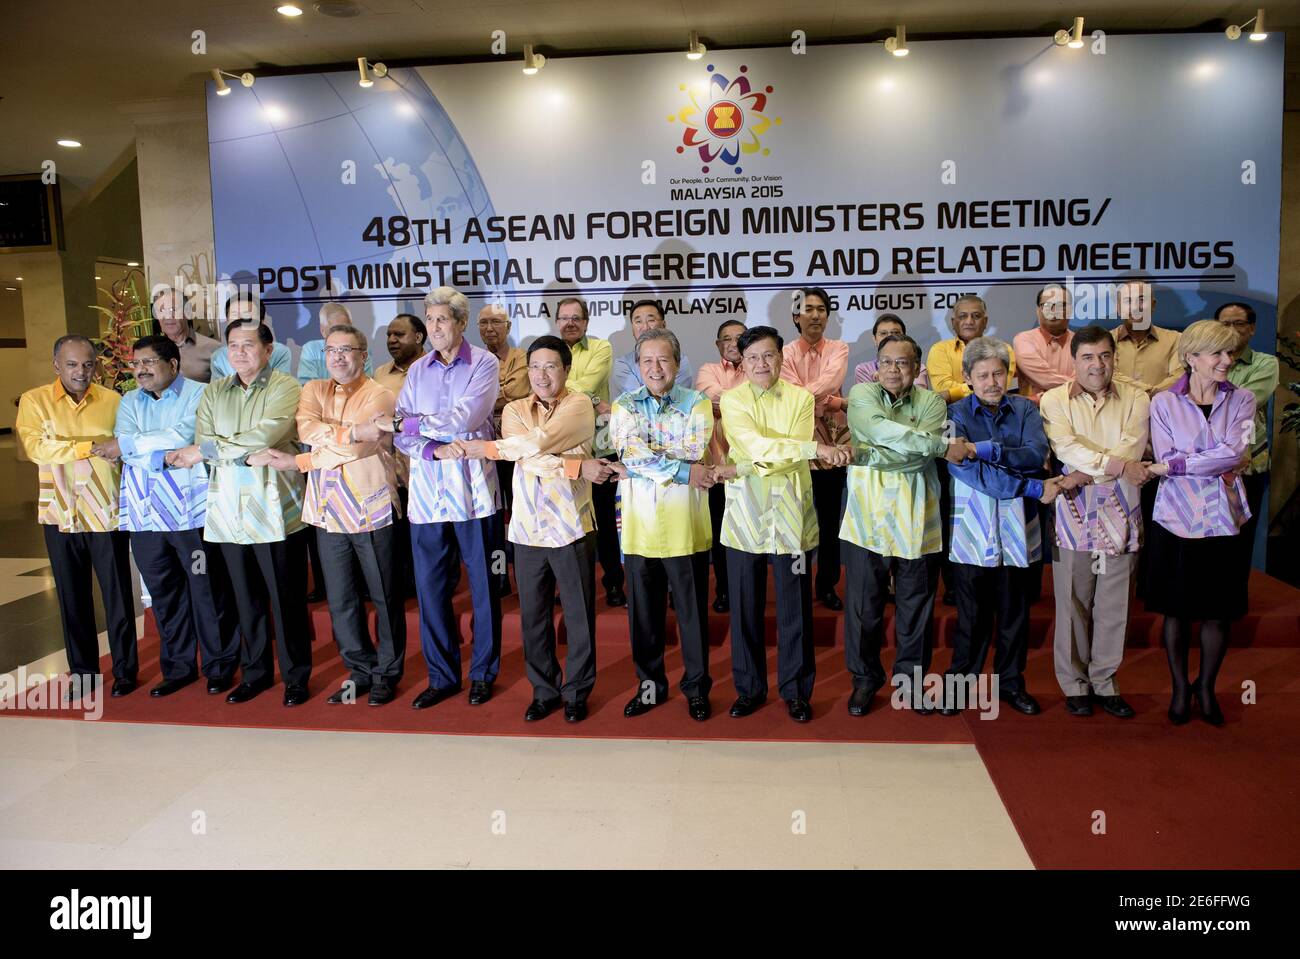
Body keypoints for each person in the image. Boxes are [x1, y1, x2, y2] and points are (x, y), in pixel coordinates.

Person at [453, 336, 613, 723]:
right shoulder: (514, 411)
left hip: (572, 525)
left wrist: (496, 449)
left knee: (577, 616)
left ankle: (576, 691)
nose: (542, 375)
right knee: (533, 617)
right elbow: (529, 454)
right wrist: (574, 466)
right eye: (535, 367)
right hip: (525, 529)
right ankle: (544, 690)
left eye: (551, 366)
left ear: (566, 370)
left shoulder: (578, 405)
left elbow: (537, 446)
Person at [263, 324, 405, 707]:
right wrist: (351, 431)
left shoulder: (382, 394)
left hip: (370, 506)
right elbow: (307, 428)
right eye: (331, 351)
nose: (338, 357)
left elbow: (365, 448)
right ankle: (359, 669)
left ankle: (387, 672)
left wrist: (304, 459)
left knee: (383, 595)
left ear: (363, 355)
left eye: (347, 350)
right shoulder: (312, 390)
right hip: (327, 511)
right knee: (341, 599)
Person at [716, 326, 847, 723]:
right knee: (745, 609)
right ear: (742, 360)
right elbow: (755, 447)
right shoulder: (732, 400)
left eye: (769, 355)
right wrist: (811, 449)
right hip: (744, 518)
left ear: (780, 358)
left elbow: (771, 454)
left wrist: (781, 454)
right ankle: (750, 689)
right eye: (752, 356)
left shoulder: (801, 398)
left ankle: (796, 691)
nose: (761, 363)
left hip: (792, 517)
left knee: (796, 610)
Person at [180, 320, 313, 705]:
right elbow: (202, 440)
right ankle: (255, 673)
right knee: (245, 599)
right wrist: (225, 449)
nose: (239, 352)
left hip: (273, 511)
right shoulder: (215, 391)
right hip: (227, 511)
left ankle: (295, 676)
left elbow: (265, 437)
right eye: (232, 345)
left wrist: (213, 450)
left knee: (286, 599)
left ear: (268, 351)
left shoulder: (286, 386)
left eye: (248, 345)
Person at [388, 287, 503, 709]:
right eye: (430, 320)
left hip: (474, 493)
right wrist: (432, 446)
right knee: (431, 589)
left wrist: (417, 423)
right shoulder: (417, 370)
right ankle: (442, 676)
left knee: (484, 588)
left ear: (461, 323)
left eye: (442, 320)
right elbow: (401, 432)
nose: (434, 328)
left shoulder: (485, 363)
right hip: (426, 495)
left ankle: (483, 673)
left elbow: (467, 418)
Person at [840, 333, 965, 716]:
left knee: (916, 609)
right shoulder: (861, 395)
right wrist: (933, 447)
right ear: (876, 365)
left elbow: (907, 455)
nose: (893, 370)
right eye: (886, 362)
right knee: (864, 608)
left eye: (902, 363)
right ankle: (864, 681)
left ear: (916, 368)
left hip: (917, 518)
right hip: (867, 520)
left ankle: (910, 685)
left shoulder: (930, 402)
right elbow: (876, 431)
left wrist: (871, 454)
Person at [113, 335, 240, 696]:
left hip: (190, 515)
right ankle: (179, 666)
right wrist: (156, 452)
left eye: (149, 362)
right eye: (136, 364)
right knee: (164, 593)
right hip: (144, 517)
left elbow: (184, 434)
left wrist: (133, 447)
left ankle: (219, 665)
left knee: (206, 589)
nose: (141, 370)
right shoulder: (128, 402)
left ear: (173, 364)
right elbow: (125, 442)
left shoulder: (200, 395)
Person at [939, 337, 1058, 717]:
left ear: (1008, 374)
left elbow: (1035, 454)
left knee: (1015, 614)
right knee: (971, 617)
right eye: (983, 374)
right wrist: (1027, 484)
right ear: (967, 377)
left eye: (999, 373)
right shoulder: (953, 415)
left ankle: (1011, 683)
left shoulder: (1025, 408)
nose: (992, 381)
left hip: (1020, 530)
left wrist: (985, 449)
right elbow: (969, 472)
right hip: (972, 530)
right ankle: (961, 686)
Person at [1145, 320, 1256, 726]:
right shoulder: (1163, 402)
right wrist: (1194, 461)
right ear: (1191, 358)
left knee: (1218, 611)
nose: (1227, 361)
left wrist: (1179, 463)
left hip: (1224, 519)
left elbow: (1236, 454)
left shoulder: (1243, 399)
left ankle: (1206, 687)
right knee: (1176, 610)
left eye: (1231, 353)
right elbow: (1165, 453)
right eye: (1218, 354)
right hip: (1176, 519)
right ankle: (1179, 688)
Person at [1039, 325, 1153, 719]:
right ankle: (1074, 685)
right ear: (1074, 361)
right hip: (1073, 514)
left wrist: (1087, 471)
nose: (1097, 364)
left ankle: (1105, 682)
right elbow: (1067, 447)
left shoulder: (1137, 397)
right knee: (1072, 602)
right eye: (1087, 357)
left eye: (1104, 356)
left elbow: (1132, 445)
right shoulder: (1054, 400)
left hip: (1122, 513)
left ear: (1114, 357)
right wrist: (1116, 467)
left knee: (1113, 605)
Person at [16, 335, 138, 699]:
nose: (81, 372)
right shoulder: (34, 401)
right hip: (60, 514)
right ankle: (83, 674)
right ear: (56, 365)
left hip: (107, 513)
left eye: (87, 364)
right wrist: (94, 446)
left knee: (117, 595)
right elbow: (37, 448)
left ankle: (125, 670)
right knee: (72, 598)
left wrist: (75, 447)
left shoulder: (114, 400)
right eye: (72, 364)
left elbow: (126, 444)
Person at [608, 329, 715, 722]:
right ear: (637, 366)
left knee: (692, 616)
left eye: (663, 359)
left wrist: (647, 458)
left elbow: (694, 450)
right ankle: (650, 687)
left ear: (677, 362)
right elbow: (631, 455)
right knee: (644, 618)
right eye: (647, 361)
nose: (655, 368)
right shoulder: (623, 405)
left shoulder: (698, 403)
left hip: (686, 524)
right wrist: (682, 471)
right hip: (639, 527)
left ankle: (697, 688)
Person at [780, 287, 850, 610]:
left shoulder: (839, 348)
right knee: (799, 522)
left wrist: (805, 400)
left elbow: (831, 380)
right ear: (796, 316)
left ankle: (827, 585)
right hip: (798, 449)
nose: (816, 315)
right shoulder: (784, 354)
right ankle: (799, 583)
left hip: (833, 446)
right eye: (808, 309)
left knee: (828, 522)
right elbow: (790, 392)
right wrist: (817, 401)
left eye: (821, 309)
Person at [555, 297, 624, 606]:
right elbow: (578, 391)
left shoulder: (601, 348)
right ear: (556, 322)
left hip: (600, 447)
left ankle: (613, 584)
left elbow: (582, 388)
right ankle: (569, 587)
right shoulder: (548, 352)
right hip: (564, 450)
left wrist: (559, 387)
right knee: (567, 520)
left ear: (585, 322)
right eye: (564, 318)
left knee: (606, 521)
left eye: (576, 318)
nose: (570, 322)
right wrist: (587, 396)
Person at [1217, 302, 1280, 566]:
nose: (1231, 330)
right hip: (1208, 464)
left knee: (1240, 538)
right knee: (1209, 540)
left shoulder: (1265, 364)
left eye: (1239, 324)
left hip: (1248, 463)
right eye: (1225, 324)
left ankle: (1233, 603)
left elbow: (1246, 403)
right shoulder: (1203, 361)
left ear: (1252, 329)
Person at [694, 319, 747, 613]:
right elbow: (708, 395)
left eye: (739, 338)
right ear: (718, 345)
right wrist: (747, 403)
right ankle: (724, 590)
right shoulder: (707, 371)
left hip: (750, 471)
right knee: (719, 535)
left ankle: (747, 590)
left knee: (749, 533)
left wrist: (725, 408)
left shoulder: (758, 368)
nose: (733, 343)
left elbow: (720, 402)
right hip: (716, 469)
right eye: (726, 338)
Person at [479, 304, 531, 594]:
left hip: (516, 449)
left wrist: (489, 396)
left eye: (496, 322)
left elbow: (515, 394)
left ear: (508, 327)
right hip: (487, 449)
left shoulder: (523, 358)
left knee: (520, 510)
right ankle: (499, 575)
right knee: (494, 516)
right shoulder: (473, 360)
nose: (490, 328)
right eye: (484, 323)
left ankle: (525, 574)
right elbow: (484, 400)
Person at [374, 312, 427, 596]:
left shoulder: (435, 367)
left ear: (418, 337)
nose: (392, 340)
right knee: (398, 531)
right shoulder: (381, 374)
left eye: (399, 334)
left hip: (425, 463)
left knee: (429, 533)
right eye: (389, 335)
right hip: (391, 468)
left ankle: (434, 582)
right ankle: (404, 582)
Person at [926, 295, 1017, 403]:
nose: (969, 321)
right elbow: (943, 389)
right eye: (963, 316)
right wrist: (984, 387)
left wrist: (954, 393)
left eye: (976, 316)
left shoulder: (1002, 349)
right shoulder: (940, 350)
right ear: (953, 322)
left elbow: (1001, 386)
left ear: (985, 321)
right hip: (953, 414)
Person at [611, 299, 695, 397]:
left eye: (651, 320)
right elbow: (638, 399)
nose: (645, 327)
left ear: (663, 325)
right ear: (633, 329)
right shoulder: (623, 364)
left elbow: (677, 396)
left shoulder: (680, 360)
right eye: (638, 321)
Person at [1012, 284, 1075, 402]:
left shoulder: (1082, 343)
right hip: (1033, 413)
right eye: (1046, 305)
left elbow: (1088, 381)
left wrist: (1038, 398)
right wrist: (1080, 386)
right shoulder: (1024, 340)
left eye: (1061, 305)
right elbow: (1044, 379)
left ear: (1070, 310)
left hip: (1075, 411)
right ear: (1038, 311)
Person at [209, 293, 294, 379]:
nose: (240, 322)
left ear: (261, 321)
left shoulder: (280, 352)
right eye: (234, 316)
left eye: (247, 316)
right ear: (227, 321)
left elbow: (280, 388)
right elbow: (217, 391)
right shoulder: (218, 357)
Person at [295, 302, 374, 384]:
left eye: (347, 329)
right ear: (323, 331)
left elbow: (365, 386)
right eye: (335, 330)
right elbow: (309, 388)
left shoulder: (361, 349)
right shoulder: (311, 349)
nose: (342, 335)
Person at [152, 286, 220, 383]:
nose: (168, 316)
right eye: (162, 310)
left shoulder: (214, 349)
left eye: (173, 310)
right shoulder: (152, 351)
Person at [853, 314, 931, 388]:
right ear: (874, 339)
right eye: (883, 333)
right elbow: (867, 399)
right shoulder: (863, 369)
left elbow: (917, 398)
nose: (890, 337)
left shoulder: (917, 368)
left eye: (895, 333)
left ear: (904, 337)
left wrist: (883, 380)